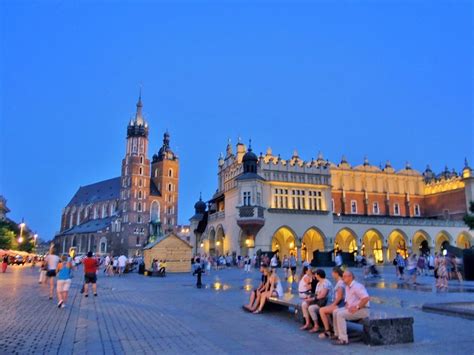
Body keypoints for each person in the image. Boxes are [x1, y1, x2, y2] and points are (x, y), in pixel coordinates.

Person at [332, 270, 370, 345]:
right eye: (343, 276)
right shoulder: (347, 286)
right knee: (335, 311)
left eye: (345, 276)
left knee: (340, 314)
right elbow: (348, 300)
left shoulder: (357, 286)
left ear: (350, 277)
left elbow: (366, 298)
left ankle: (343, 339)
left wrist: (357, 307)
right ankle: (337, 334)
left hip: (363, 309)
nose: (343, 278)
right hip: (352, 307)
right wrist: (347, 305)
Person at [318, 267, 345, 339]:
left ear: (336, 273)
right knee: (325, 310)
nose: (332, 275)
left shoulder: (340, 283)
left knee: (322, 310)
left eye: (333, 273)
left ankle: (328, 331)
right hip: (339, 303)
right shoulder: (340, 282)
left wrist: (333, 304)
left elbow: (340, 297)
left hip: (341, 304)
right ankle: (332, 328)